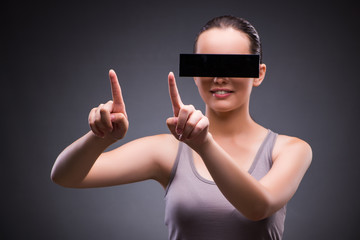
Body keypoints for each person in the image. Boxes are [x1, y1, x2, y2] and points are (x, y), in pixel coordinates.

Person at [51, 15, 312, 239]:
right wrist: (99, 138)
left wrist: (205, 144)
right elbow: (64, 176)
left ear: (258, 73)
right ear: (195, 73)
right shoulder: (167, 151)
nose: (219, 77)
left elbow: (258, 206)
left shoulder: (290, 149)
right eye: (207, 64)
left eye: (234, 64)